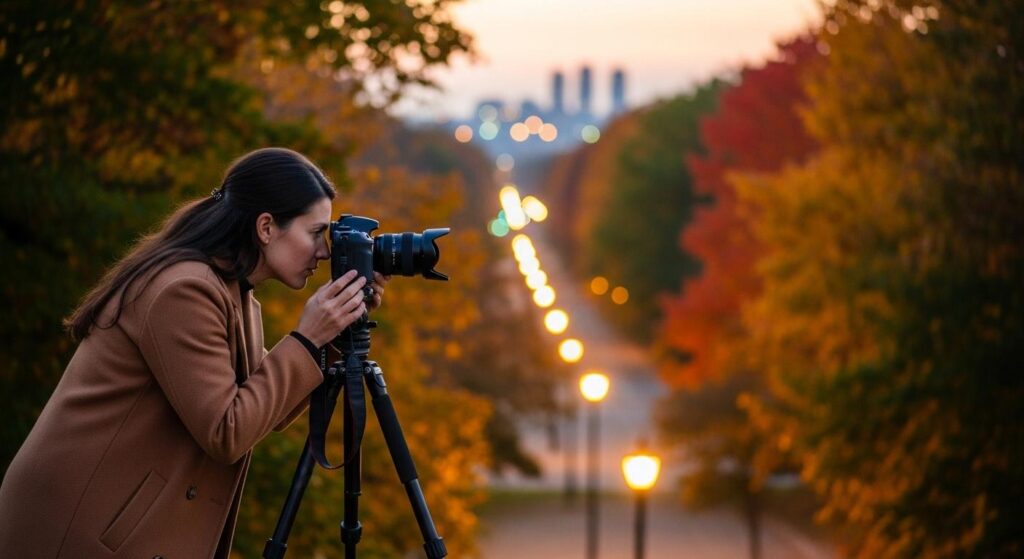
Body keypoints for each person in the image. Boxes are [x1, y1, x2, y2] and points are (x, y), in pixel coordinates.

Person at [0, 147, 388, 558]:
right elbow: (228, 430)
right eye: (315, 232)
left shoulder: (235, 294)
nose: (324, 252)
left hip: (122, 528)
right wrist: (308, 338)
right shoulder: (183, 290)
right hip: (79, 529)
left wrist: (336, 333)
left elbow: (262, 408)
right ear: (267, 227)